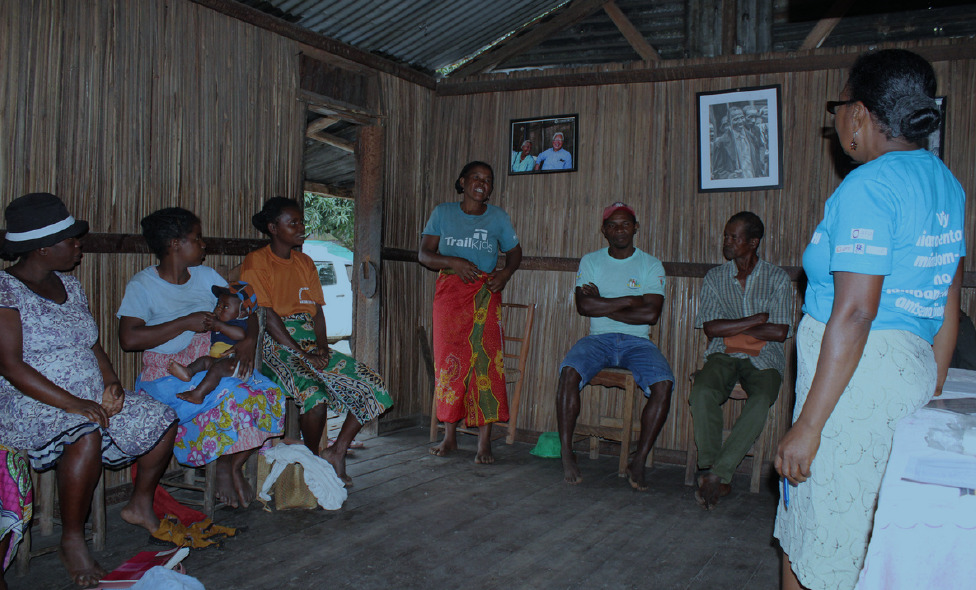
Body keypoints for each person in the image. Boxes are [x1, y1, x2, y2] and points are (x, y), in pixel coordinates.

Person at [774, 49, 965, 590]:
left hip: (852, 385)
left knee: (824, 546)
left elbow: (857, 311)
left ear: (858, 114)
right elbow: (948, 302)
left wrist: (809, 426)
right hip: (902, 372)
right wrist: (929, 383)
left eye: (838, 107)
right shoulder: (945, 184)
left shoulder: (870, 186)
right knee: (845, 535)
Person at [0, 193, 177, 588]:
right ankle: (72, 539)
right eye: (71, 240)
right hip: (31, 402)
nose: (79, 246)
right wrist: (76, 404)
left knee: (162, 418)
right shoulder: (5, 290)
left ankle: (139, 502)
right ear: (42, 248)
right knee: (86, 434)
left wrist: (111, 383)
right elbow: (10, 364)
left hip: (87, 397)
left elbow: (92, 344)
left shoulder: (70, 285)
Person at [118, 207, 285, 508]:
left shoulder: (206, 276)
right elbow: (128, 339)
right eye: (197, 238)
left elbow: (248, 308)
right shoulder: (143, 285)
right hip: (167, 374)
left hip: (210, 365)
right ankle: (222, 463)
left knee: (269, 392)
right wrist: (184, 322)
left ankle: (229, 464)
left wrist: (248, 338)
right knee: (236, 395)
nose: (203, 245)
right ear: (175, 244)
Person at [242, 197, 393, 484]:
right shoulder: (257, 262)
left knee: (372, 385)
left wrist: (322, 347)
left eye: (301, 221)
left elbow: (317, 312)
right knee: (314, 394)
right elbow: (267, 316)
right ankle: (311, 462)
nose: (301, 227)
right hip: (275, 346)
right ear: (273, 228)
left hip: (310, 343)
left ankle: (336, 451)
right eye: (293, 223)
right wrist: (300, 352)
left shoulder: (305, 262)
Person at [555, 202, 674, 490]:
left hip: (638, 342)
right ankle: (567, 451)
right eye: (613, 225)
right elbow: (584, 306)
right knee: (568, 372)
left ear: (635, 228)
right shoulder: (591, 261)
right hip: (599, 339)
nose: (619, 229)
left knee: (663, 384)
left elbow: (650, 314)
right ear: (604, 231)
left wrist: (604, 303)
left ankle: (639, 460)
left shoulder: (650, 264)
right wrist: (630, 300)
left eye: (625, 224)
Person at [419, 161, 523, 464]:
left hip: (484, 294)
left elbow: (515, 252)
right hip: (450, 295)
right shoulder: (443, 213)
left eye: (488, 180)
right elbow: (425, 254)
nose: (482, 183)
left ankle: (484, 443)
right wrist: (455, 261)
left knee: (486, 362)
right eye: (476, 177)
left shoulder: (498, 217)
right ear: (462, 181)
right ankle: (449, 437)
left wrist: (504, 274)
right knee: (450, 363)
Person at [690, 212, 792, 509]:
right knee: (702, 392)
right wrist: (755, 319)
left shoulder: (777, 278)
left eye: (734, 238)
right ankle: (714, 471)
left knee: (761, 399)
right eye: (726, 236)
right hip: (723, 352)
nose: (727, 242)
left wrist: (733, 323)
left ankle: (716, 474)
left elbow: (780, 331)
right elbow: (711, 328)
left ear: (753, 242)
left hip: (765, 357)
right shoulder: (715, 277)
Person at [166, 282, 257, 404]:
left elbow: (240, 335)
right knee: (204, 360)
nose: (219, 308)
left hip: (235, 363)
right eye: (218, 304)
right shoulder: (222, 321)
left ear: (242, 313)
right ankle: (188, 372)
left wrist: (219, 326)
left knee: (217, 368)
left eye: (225, 307)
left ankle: (198, 394)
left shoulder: (239, 323)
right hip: (218, 360)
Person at [712, 106, 764, 179]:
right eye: (736, 119)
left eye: (742, 118)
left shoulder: (752, 137)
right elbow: (717, 172)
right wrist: (731, 176)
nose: (740, 122)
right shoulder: (721, 142)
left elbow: (758, 163)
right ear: (729, 122)